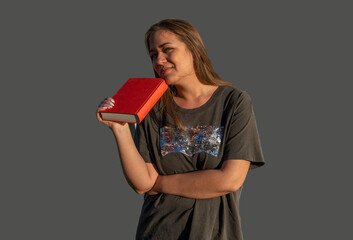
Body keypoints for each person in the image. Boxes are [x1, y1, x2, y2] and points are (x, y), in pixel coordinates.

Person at [96, 18, 265, 240]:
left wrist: (160, 183)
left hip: (215, 232)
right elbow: (142, 183)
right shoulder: (152, 108)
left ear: (193, 49)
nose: (159, 60)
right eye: (153, 55)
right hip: (158, 230)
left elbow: (229, 180)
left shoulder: (233, 102)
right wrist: (120, 130)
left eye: (167, 50)